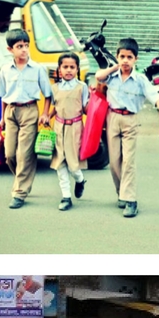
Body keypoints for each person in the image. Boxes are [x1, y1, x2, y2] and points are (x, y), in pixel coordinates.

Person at [95, 38, 159, 218]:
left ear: (136, 58)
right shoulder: (112, 76)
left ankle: (130, 200)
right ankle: (121, 192)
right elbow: (98, 77)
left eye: (129, 57)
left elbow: (156, 98)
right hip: (112, 118)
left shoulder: (141, 80)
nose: (125, 60)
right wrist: (114, 67)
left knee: (128, 161)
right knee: (114, 162)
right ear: (118, 57)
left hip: (130, 120)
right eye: (122, 57)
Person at [0, 28, 53, 210]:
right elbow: (3, 96)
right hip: (11, 113)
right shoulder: (5, 70)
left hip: (30, 111)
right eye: (19, 46)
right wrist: (2, 119)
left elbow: (49, 94)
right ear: (10, 50)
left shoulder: (38, 69)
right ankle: (23, 178)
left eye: (26, 46)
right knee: (9, 155)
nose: (24, 50)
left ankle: (19, 192)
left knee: (24, 154)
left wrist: (45, 113)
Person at [45, 52, 89, 211]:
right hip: (58, 128)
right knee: (60, 163)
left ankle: (80, 180)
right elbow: (56, 108)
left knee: (73, 165)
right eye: (65, 67)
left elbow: (86, 109)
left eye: (72, 67)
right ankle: (66, 197)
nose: (68, 70)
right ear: (59, 69)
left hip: (75, 128)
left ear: (77, 69)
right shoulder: (54, 88)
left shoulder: (82, 87)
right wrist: (46, 116)